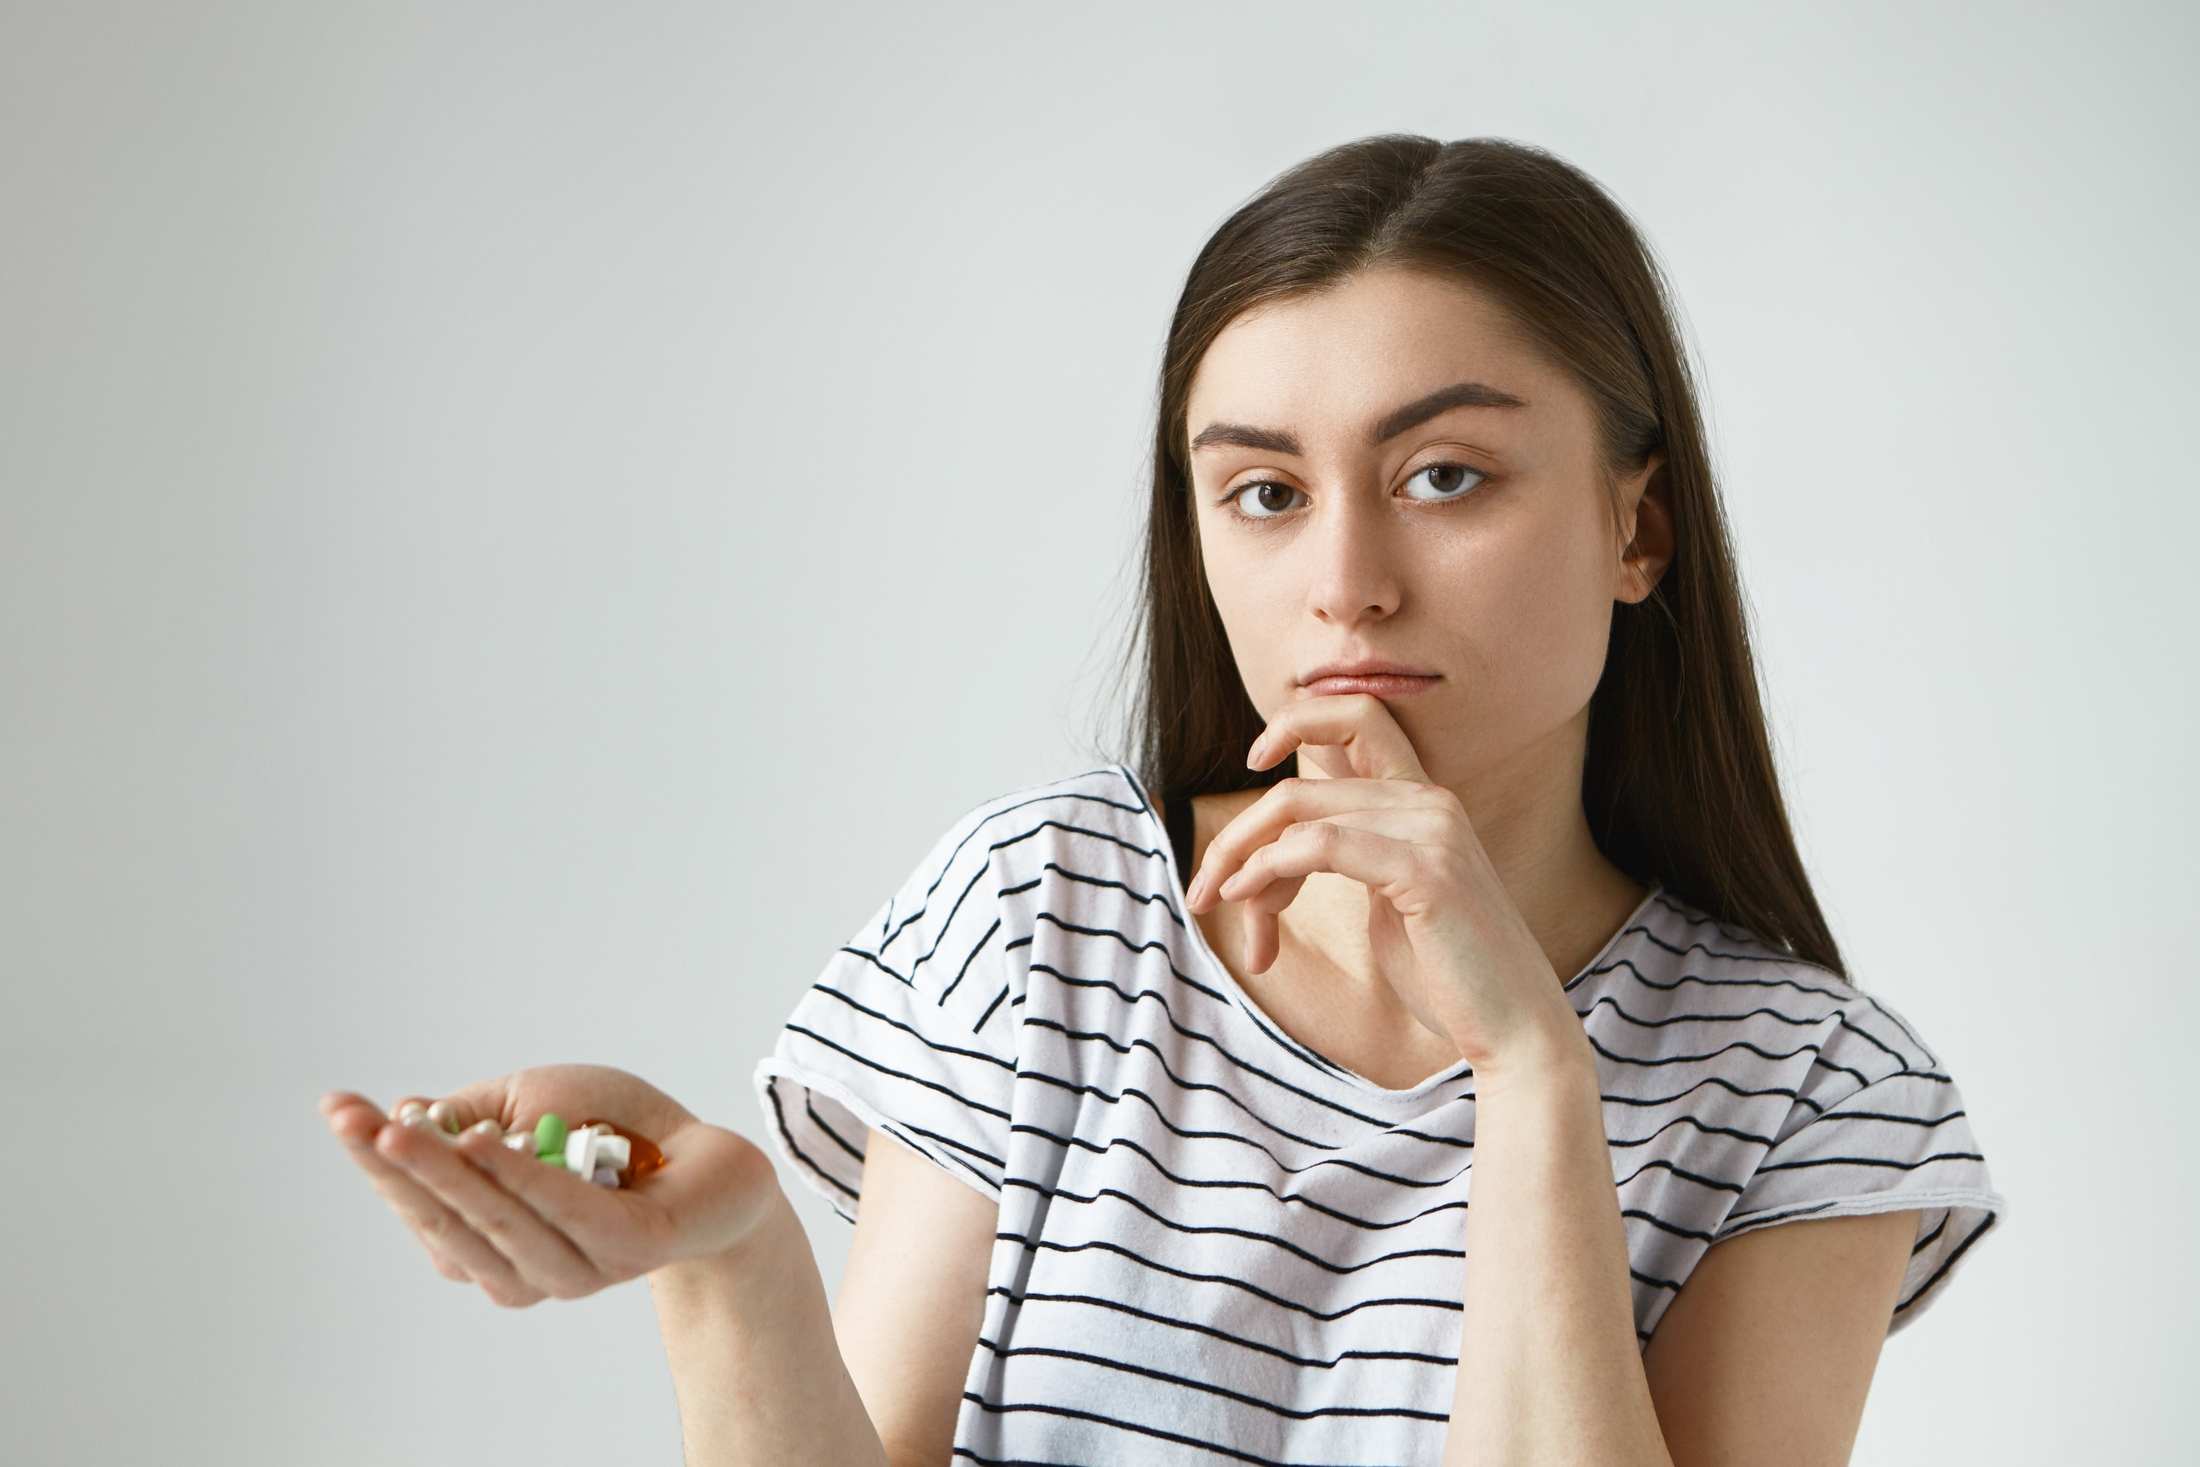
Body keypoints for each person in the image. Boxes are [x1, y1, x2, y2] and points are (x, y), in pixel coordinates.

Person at [320, 133, 2007, 1466]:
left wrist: (1530, 1072)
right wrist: (732, 1264)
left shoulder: (1812, 1095)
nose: (1345, 582)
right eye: (1265, 492)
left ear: (1638, 530)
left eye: (1443, 477)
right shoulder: (1041, 913)